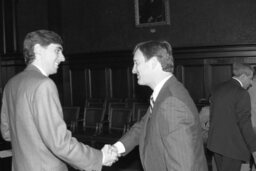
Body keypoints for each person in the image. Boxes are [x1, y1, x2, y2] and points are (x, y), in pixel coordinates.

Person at [0, 29, 118, 171]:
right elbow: (59, 143)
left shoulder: (11, 84)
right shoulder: (44, 84)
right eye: (57, 51)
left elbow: (7, 133)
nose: (62, 58)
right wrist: (99, 157)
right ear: (38, 49)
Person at [113, 40, 208, 171]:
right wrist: (116, 149)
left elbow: (183, 165)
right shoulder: (165, 93)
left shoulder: (171, 103)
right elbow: (144, 126)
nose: (134, 70)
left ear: (153, 63)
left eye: (137, 63)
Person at [207, 62, 256, 171]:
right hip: (232, 147)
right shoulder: (242, 93)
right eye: (250, 78)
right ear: (243, 76)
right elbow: (245, 124)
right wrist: (254, 149)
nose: (251, 82)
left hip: (216, 144)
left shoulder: (218, 88)